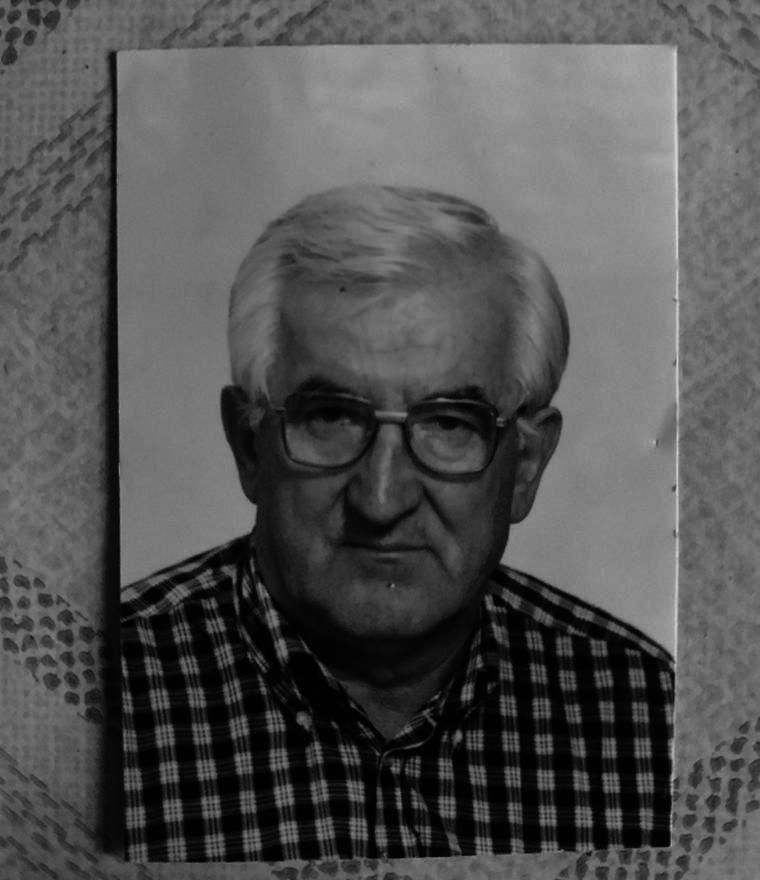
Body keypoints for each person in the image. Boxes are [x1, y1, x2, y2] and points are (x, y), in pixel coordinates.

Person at [121, 184, 673, 862]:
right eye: (331, 417)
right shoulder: (101, 695)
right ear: (248, 447)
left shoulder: (649, 712)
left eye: (449, 425)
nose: (381, 501)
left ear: (526, 466)